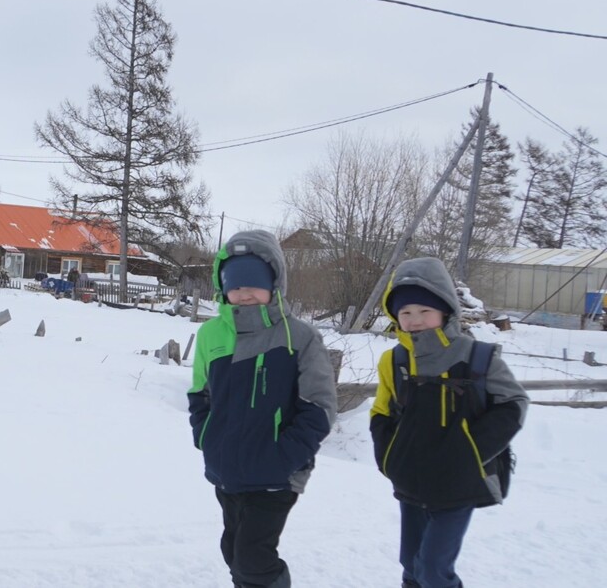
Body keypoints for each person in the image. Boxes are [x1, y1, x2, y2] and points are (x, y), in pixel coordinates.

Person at [188, 230, 337, 588]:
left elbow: (320, 405)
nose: (245, 293)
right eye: (236, 285)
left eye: (255, 283)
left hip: (275, 475)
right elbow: (200, 393)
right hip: (226, 469)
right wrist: (207, 439)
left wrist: (284, 457)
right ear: (224, 288)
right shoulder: (211, 335)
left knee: (254, 558)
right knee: (233, 551)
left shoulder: (298, 336)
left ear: (275, 284)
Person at [370, 257, 529, 588]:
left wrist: (468, 452)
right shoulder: (394, 360)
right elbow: (381, 413)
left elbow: (513, 403)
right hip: (412, 481)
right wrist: (389, 458)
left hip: (458, 484)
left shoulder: (477, 357)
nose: (414, 320)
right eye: (406, 313)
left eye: (424, 311)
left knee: (433, 569)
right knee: (411, 567)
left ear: (445, 311)